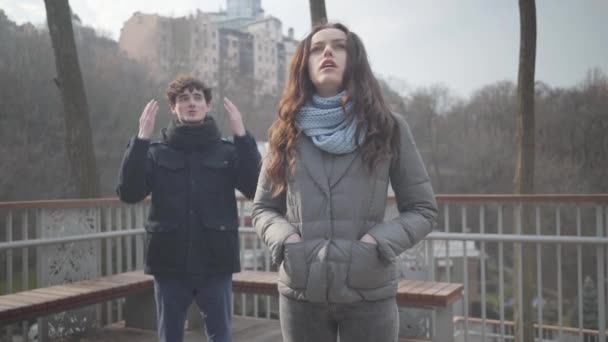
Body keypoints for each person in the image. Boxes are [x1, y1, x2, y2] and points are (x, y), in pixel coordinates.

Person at [251, 23, 437, 342]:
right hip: (301, 290)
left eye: (339, 46)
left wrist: (376, 244)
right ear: (304, 64)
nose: (327, 52)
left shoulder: (388, 127)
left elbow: (423, 209)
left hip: (369, 291)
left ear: (355, 60)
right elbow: (263, 209)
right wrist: (287, 242)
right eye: (317, 48)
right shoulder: (284, 131)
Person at [116, 75, 261, 342]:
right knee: (170, 336)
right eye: (183, 98)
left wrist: (242, 135)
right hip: (168, 261)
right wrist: (141, 139)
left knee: (221, 336)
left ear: (207, 106)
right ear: (173, 107)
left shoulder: (227, 151)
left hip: (216, 261)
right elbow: (129, 192)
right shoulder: (155, 152)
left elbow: (255, 188)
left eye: (197, 98)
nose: (191, 103)